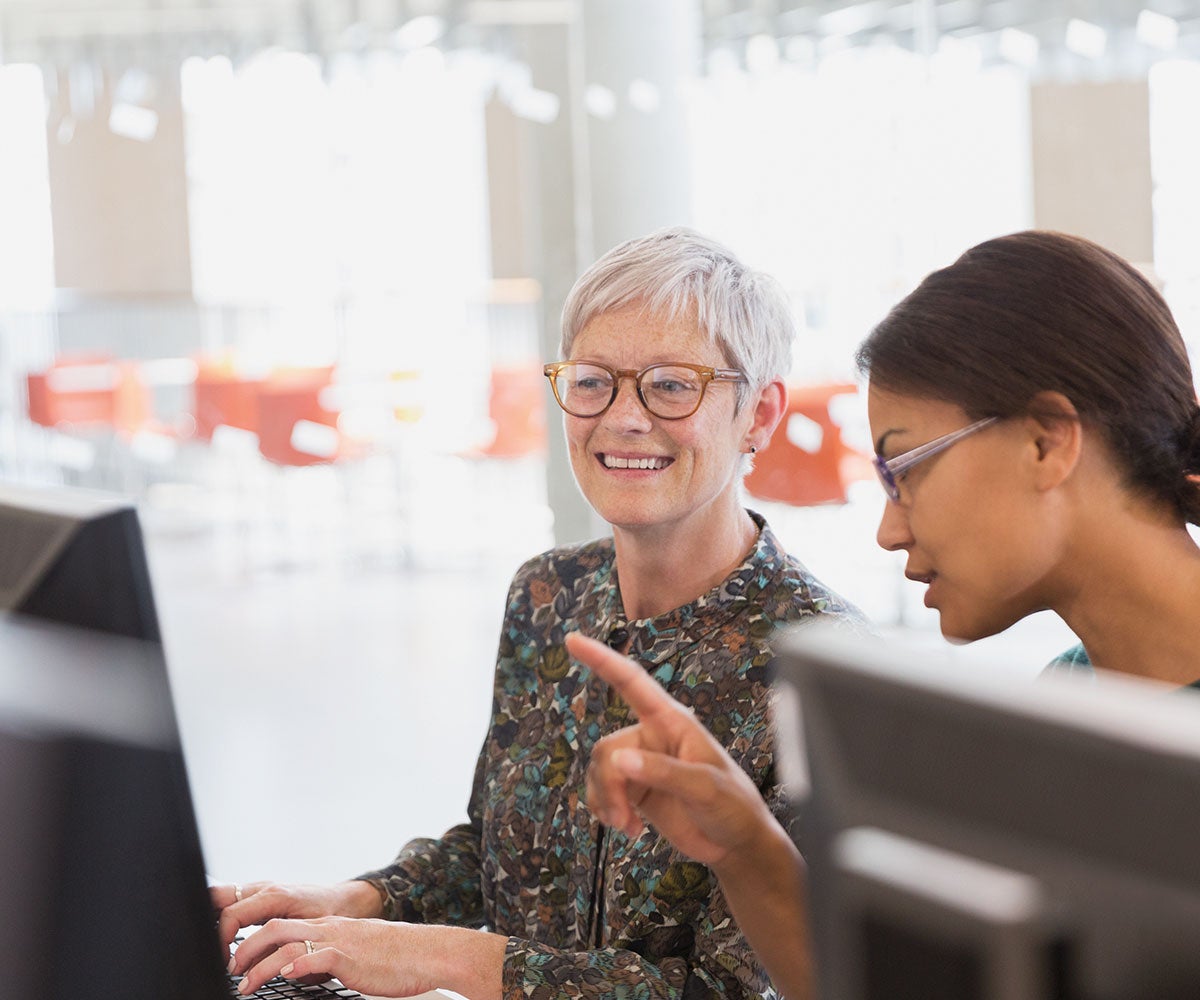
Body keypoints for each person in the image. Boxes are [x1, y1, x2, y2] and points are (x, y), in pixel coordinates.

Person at [218, 226, 862, 1000]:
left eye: (670, 384)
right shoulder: (547, 593)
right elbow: (496, 851)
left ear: (758, 415)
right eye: (593, 381)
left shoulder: (826, 663)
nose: (623, 417)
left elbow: (731, 990)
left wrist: (445, 960)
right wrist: (360, 902)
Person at [577, 229, 1200, 1000]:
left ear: (1046, 442)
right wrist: (742, 846)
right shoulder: (1068, 706)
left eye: (903, 469)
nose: (889, 528)